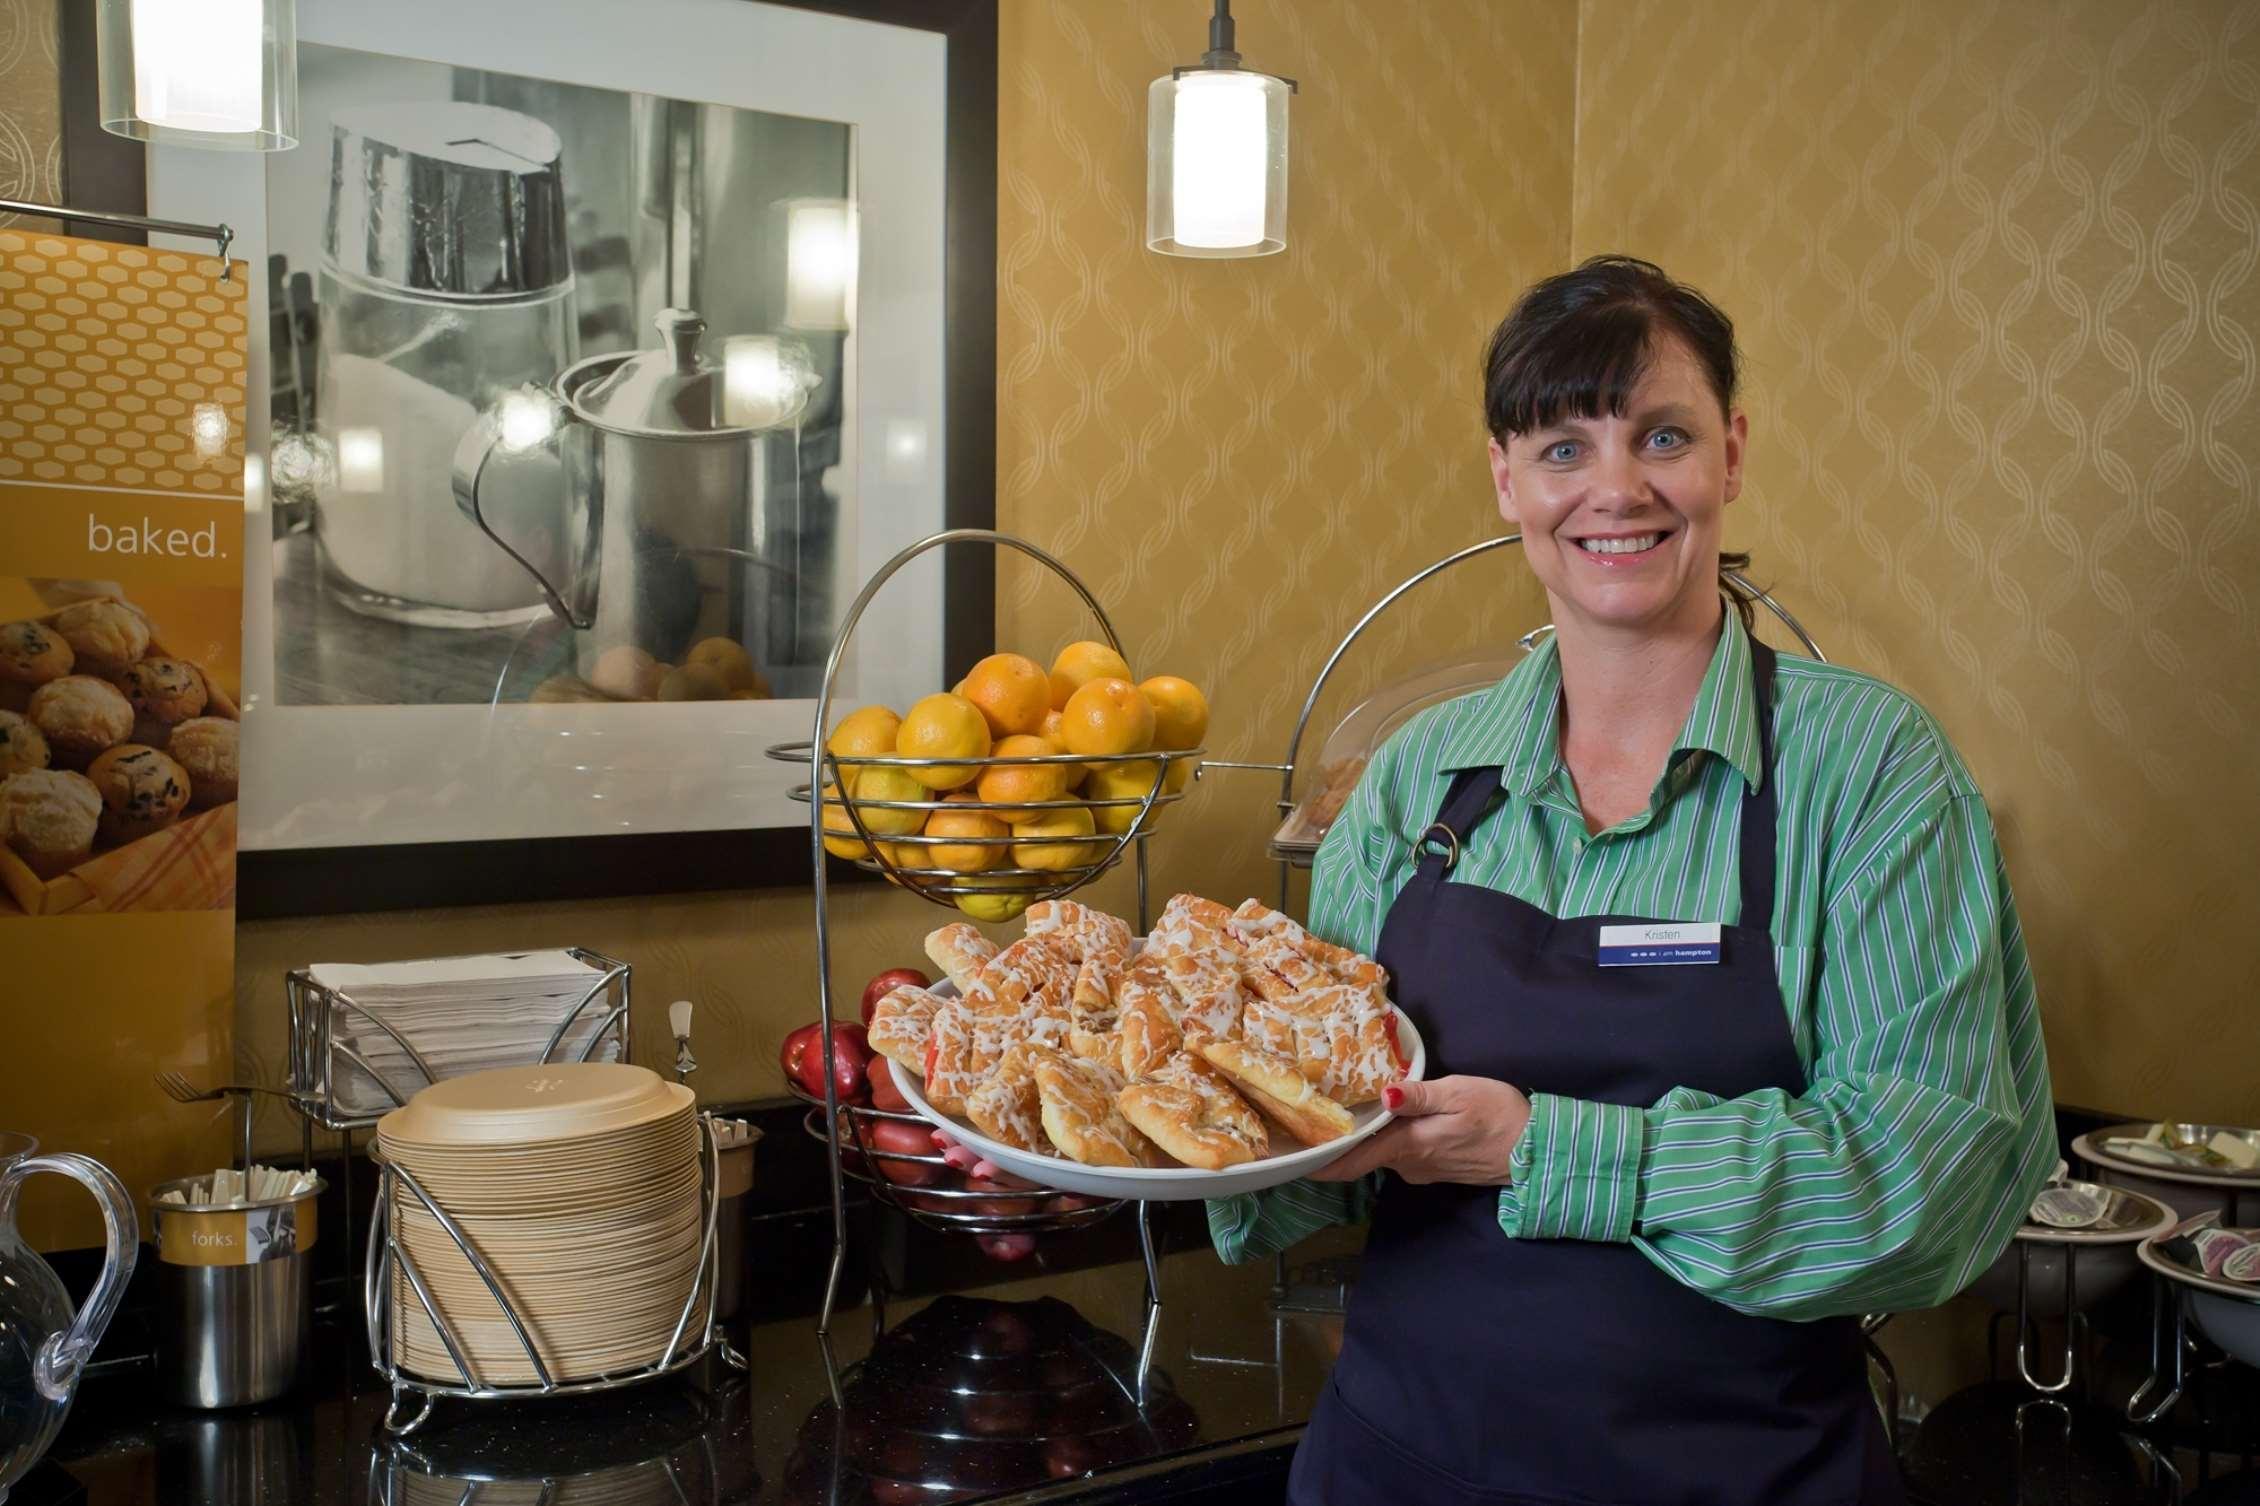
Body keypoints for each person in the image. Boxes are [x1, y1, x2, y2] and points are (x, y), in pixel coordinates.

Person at [1206, 256, 2056, 1506]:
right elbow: (1305, 1138)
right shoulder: (1415, 777)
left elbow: (1927, 1185)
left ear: (1731, 452)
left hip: (1746, 1476)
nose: (1615, 490)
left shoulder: (1867, 768)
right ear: (1504, 478)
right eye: (1561, 448)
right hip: (1398, 1466)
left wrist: (1541, 1149)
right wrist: (1117, 1152)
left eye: (1661, 436)